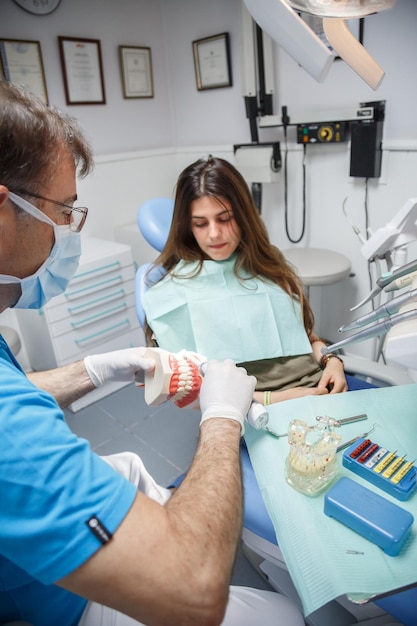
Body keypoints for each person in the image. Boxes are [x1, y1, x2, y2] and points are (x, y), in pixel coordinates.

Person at [0, 81, 305, 626]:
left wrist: (97, 367)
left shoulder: (272, 271)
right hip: (63, 604)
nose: (73, 229)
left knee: (134, 469)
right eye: (66, 211)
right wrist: (220, 418)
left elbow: (15, 392)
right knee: (282, 615)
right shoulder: (10, 433)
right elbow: (194, 591)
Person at [142, 155, 350, 407]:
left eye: (224, 218)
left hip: (319, 386)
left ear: (243, 215)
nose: (214, 233)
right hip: (248, 409)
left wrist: (333, 362)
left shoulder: (268, 263)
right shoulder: (173, 294)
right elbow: (190, 392)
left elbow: (306, 337)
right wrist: (275, 399)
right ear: (187, 225)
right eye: (200, 223)